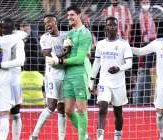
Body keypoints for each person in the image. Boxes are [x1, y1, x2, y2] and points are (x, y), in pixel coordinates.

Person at [46, 5, 92, 140]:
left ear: (79, 15)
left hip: (80, 74)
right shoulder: (69, 34)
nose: (69, 18)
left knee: (81, 110)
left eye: (72, 15)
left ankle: (82, 138)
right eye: (68, 15)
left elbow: (79, 58)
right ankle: (86, 136)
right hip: (68, 75)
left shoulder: (85, 33)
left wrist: (59, 62)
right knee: (68, 111)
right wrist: (56, 60)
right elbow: (66, 55)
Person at [89, 16, 132, 140]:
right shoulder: (100, 44)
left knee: (118, 112)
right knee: (102, 107)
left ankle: (117, 136)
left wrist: (119, 68)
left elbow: (129, 64)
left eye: (114, 25)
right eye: (110, 25)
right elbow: (96, 63)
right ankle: (100, 138)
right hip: (104, 82)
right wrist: (92, 80)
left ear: (117, 27)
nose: (112, 27)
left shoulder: (124, 44)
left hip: (119, 84)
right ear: (106, 27)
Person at [30, 14, 66, 140]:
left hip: (65, 76)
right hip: (52, 76)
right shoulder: (44, 38)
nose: (47, 25)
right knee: (51, 106)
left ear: (55, 22)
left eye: (49, 22)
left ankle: (61, 138)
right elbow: (47, 54)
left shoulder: (65, 35)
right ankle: (34, 135)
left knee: (62, 108)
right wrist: (65, 55)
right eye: (45, 23)